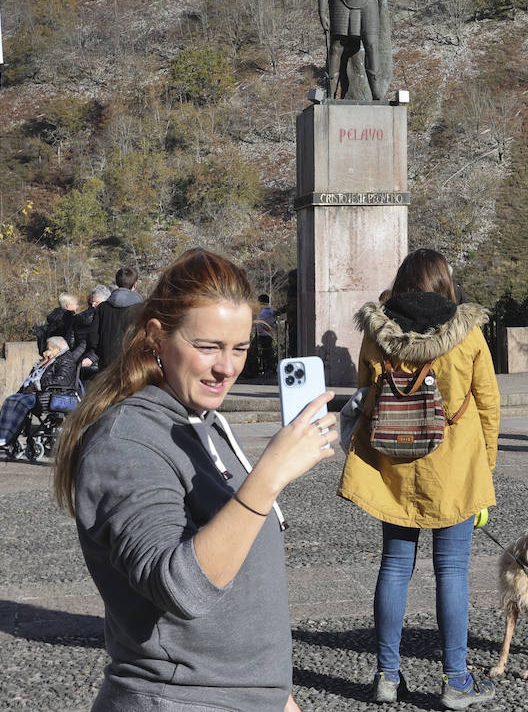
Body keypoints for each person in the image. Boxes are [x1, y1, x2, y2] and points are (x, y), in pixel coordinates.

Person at [52, 248, 337, 711]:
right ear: (156, 338)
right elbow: (180, 586)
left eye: (240, 348)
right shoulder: (126, 441)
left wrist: (276, 696)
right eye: (208, 347)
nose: (227, 367)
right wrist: (268, 477)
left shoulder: (201, 420)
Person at [338, 248, 499, 708]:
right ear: (444, 282)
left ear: (403, 281)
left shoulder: (378, 334)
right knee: (452, 572)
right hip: (456, 464)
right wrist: (485, 467)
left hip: (396, 464)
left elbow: (367, 397)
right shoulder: (467, 333)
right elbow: (487, 403)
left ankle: (387, 677)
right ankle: (455, 681)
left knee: (394, 567)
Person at [0, 336, 78, 451]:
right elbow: (34, 375)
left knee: (21, 402)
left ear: (57, 349)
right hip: (38, 393)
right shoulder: (50, 359)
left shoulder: (65, 359)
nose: (45, 351)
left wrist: (37, 386)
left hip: (51, 395)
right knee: (11, 399)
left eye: (48, 348)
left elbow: (62, 380)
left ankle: (7, 439)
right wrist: (43, 362)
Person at [94, 266, 144, 372]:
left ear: (117, 283)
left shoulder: (102, 308)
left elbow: (93, 338)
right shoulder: (141, 309)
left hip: (106, 363)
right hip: (132, 363)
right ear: (135, 285)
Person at [70, 284, 111, 384]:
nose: (93, 305)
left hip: (83, 361)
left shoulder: (80, 317)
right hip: (96, 362)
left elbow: (72, 341)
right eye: (92, 301)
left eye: (96, 302)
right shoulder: (105, 318)